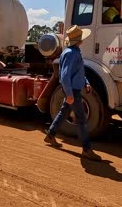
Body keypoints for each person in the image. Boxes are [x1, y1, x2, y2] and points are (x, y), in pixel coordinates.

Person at [44, 25, 102, 161]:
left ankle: (50, 134)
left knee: (64, 112)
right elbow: (64, 77)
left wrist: (86, 83)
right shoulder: (71, 53)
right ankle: (87, 149)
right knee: (81, 119)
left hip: (75, 90)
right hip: (73, 92)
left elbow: (79, 73)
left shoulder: (73, 52)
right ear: (78, 40)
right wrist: (69, 94)